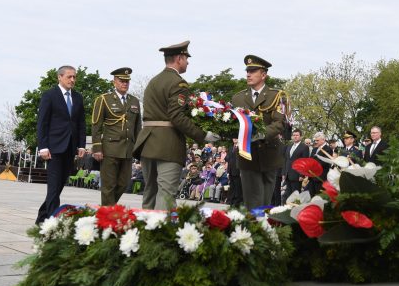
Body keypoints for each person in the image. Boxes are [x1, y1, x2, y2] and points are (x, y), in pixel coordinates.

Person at [133, 41, 220, 210]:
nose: (188, 62)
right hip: (167, 145)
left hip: (148, 143)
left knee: (150, 191)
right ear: (179, 58)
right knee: (165, 193)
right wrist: (203, 135)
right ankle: (162, 233)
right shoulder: (178, 83)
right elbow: (177, 116)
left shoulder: (153, 81)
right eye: (186, 58)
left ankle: (147, 232)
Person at [230, 55, 287, 209]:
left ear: (263, 75)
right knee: (252, 203)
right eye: (247, 71)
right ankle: (253, 230)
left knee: (266, 202)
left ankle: (263, 229)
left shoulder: (277, 96)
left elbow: (280, 122)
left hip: (269, 153)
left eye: (253, 71)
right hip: (247, 155)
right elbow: (233, 124)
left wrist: (261, 133)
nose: (248, 74)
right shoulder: (238, 98)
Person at [35, 65, 86, 224]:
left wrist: (81, 145)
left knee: (58, 187)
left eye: (74, 77)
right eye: (69, 77)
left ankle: (41, 218)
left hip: (70, 149)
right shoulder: (49, 95)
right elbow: (42, 123)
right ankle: (51, 222)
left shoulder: (78, 97)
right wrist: (43, 146)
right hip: (54, 148)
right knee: (53, 186)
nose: (72, 80)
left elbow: (81, 123)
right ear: (60, 77)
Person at [91, 67, 142, 206]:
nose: (125, 83)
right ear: (114, 82)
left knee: (124, 183)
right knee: (109, 185)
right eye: (121, 81)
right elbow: (96, 126)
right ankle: (108, 215)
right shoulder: (104, 99)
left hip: (128, 149)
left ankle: (107, 209)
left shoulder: (134, 101)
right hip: (109, 149)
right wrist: (97, 148)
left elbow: (138, 128)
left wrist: (139, 150)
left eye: (127, 81)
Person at [282, 129, 310, 204]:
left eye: (297, 135)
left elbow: (304, 162)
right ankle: (287, 211)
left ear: (301, 136)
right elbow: (286, 160)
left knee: (296, 195)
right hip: (288, 174)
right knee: (288, 195)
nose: (295, 137)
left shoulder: (304, 147)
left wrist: (302, 175)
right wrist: (284, 173)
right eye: (294, 135)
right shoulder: (289, 146)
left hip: (297, 175)